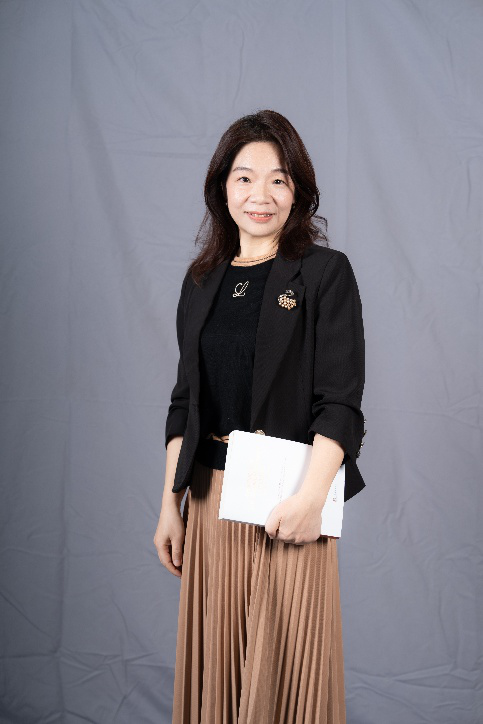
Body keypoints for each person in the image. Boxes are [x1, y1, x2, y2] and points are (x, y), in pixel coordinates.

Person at [153, 109, 366, 724]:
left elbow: (340, 402)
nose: (260, 195)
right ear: (223, 188)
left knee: (285, 678)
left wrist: (310, 500)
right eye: (245, 178)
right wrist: (170, 504)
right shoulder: (201, 282)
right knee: (219, 674)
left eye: (279, 179)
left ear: (297, 191)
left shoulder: (325, 273)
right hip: (209, 499)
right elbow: (185, 401)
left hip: (290, 501)